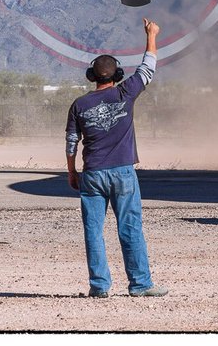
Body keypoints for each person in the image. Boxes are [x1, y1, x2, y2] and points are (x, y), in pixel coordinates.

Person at [65, 18, 168, 298]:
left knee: (93, 231)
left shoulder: (79, 104)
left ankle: (99, 286)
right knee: (130, 227)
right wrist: (151, 35)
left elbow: (72, 142)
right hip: (122, 172)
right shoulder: (125, 92)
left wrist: (72, 172)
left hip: (93, 174)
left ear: (92, 76)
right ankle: (140, 284)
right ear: (118, 74)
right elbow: (147, 67)